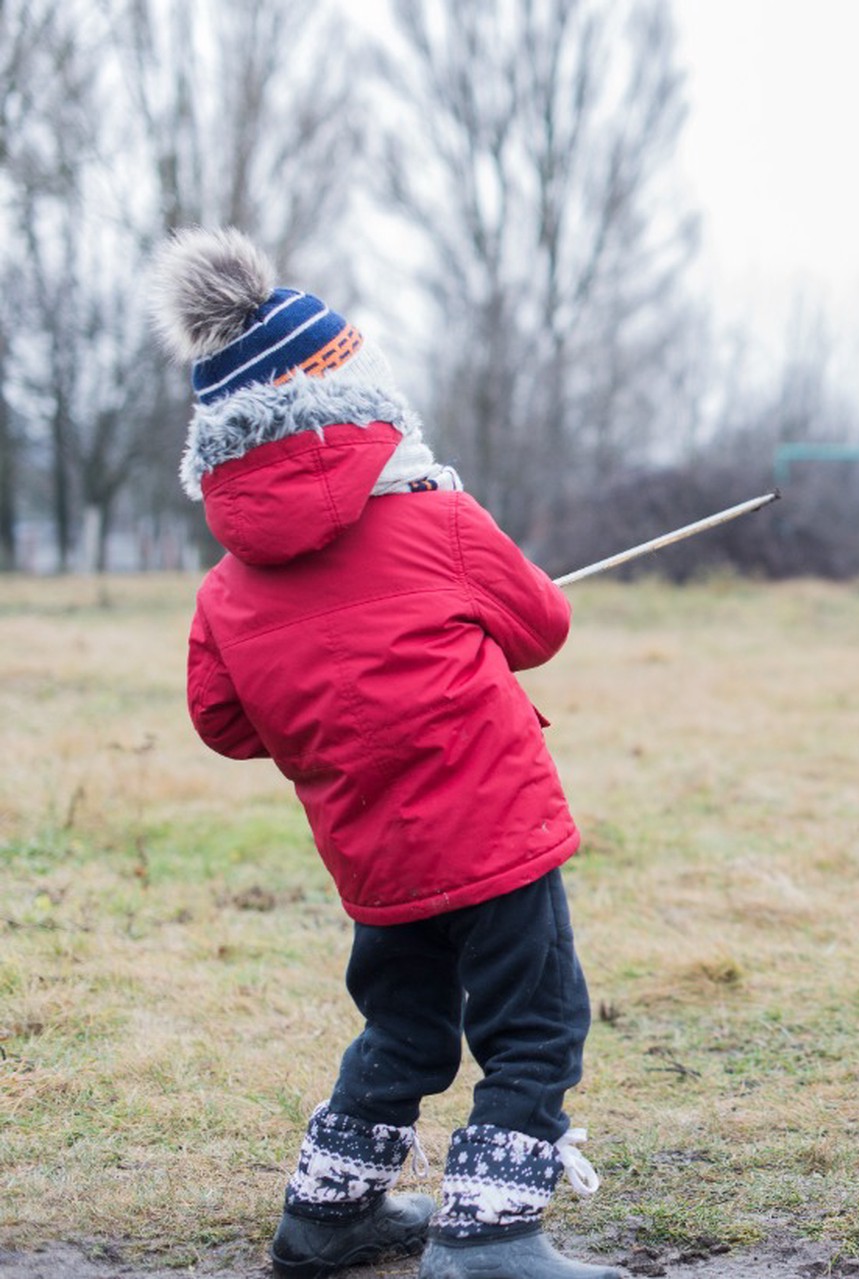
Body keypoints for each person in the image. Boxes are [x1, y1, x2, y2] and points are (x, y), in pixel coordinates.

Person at [147, 227, 625, 1279]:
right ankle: (491, 1238)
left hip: (374, 857)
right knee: (537, 1024)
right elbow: (541, 625)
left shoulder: (225, 592)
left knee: (405, 1028)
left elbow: (221, 720)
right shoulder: (433, 516)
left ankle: (326, 1214)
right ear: (358, 398)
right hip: (495, 839)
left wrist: (319, 703)